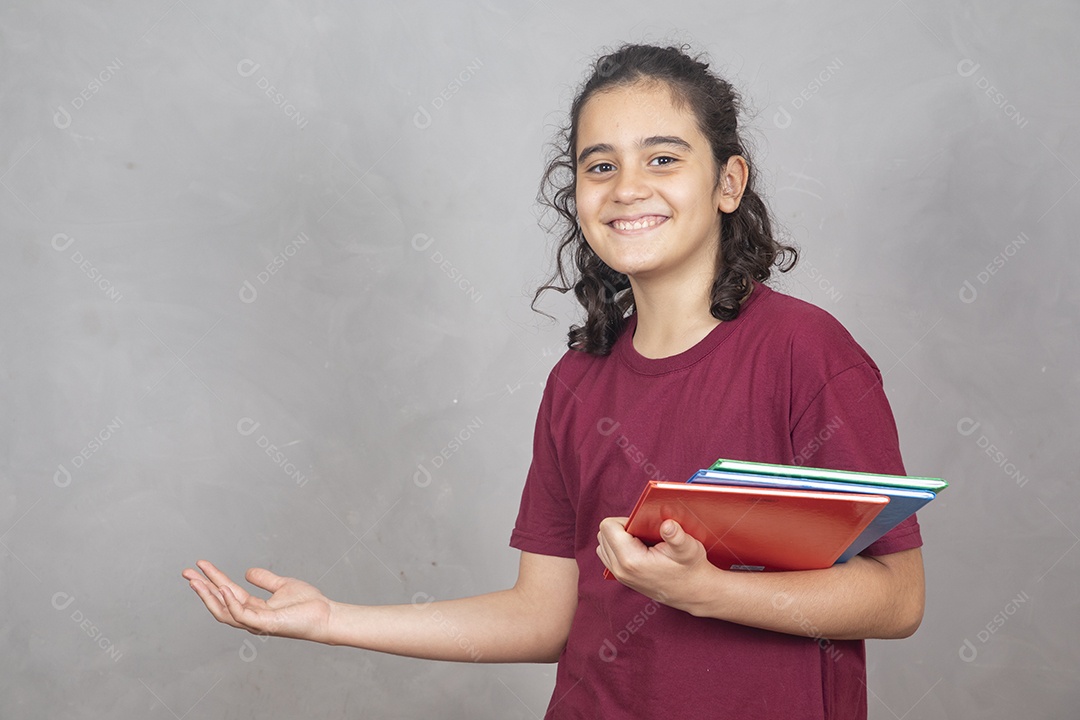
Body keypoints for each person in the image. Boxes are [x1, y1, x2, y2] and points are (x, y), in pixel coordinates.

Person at [183, 43, 925, 719]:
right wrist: (333, 619)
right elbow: (544, 616)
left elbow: (897, 599)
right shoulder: (576, 383)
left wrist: (710, 592)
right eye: (600, 166)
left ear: (728, 181)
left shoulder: (805, 352)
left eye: (663, 159)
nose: (628, 188)